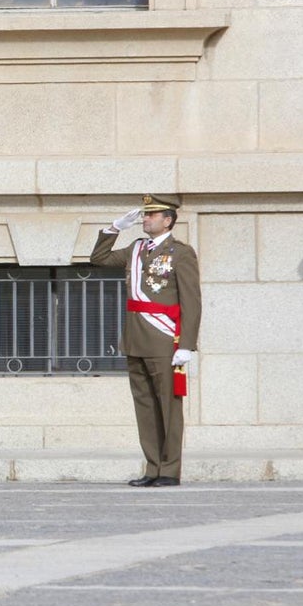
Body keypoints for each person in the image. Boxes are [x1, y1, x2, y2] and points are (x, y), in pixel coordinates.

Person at [91, 195, 202, 487]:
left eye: (152, 215)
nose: (145, 219)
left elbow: (191, 301)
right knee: (146, 408)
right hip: (135, 339)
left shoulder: (181, 253)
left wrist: (186, 344)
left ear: (168, 220)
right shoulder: (136, 248)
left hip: (164, 340)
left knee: (169, 409)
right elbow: (99, 259)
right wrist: (114, 228)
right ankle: (153, 467)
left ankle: (169, 471)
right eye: (145, 214)